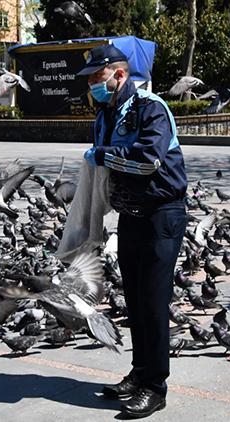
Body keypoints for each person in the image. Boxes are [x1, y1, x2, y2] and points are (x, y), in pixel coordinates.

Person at [76, 44, 188, 419]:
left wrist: (104, 156)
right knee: (136, 300)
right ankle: (140, 373)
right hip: (132, 216)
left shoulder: (150, 108)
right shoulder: (106, 114)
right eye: (91, 80)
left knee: (154, 302)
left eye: (97, 78)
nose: (92, 85)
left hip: (162, 214)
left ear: (118, 74)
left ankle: (156, 387)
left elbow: (147, 163)